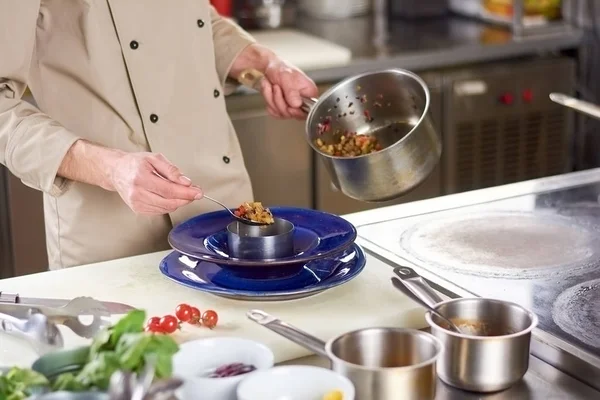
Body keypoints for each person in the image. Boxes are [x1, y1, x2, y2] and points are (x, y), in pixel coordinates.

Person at [0, 2, 318, 269]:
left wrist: (265, 64)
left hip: (221, 203)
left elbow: (191, 20)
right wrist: (112, 169)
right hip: (115, 225)